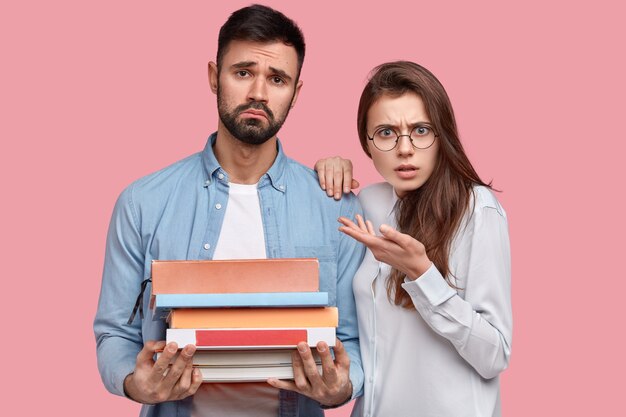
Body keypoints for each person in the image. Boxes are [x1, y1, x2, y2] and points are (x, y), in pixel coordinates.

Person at [94, 5, 364, 417]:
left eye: (277, 79)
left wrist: (342, 387)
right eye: (243, 72)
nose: (258, 92)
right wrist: (135, 382)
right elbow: (114, 332)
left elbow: (355, 340)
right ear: (212, 76)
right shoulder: (142, 202)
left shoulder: (335, 206)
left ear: (296, 93)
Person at [315, 61, 512, 417]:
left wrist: (422, 275)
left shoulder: (477, 209)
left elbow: (495, 354)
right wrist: (326, 170)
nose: (405, 148)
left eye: (420, 130)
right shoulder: (366, 203)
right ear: (367, 143)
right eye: (386, 133)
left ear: (442, 135)